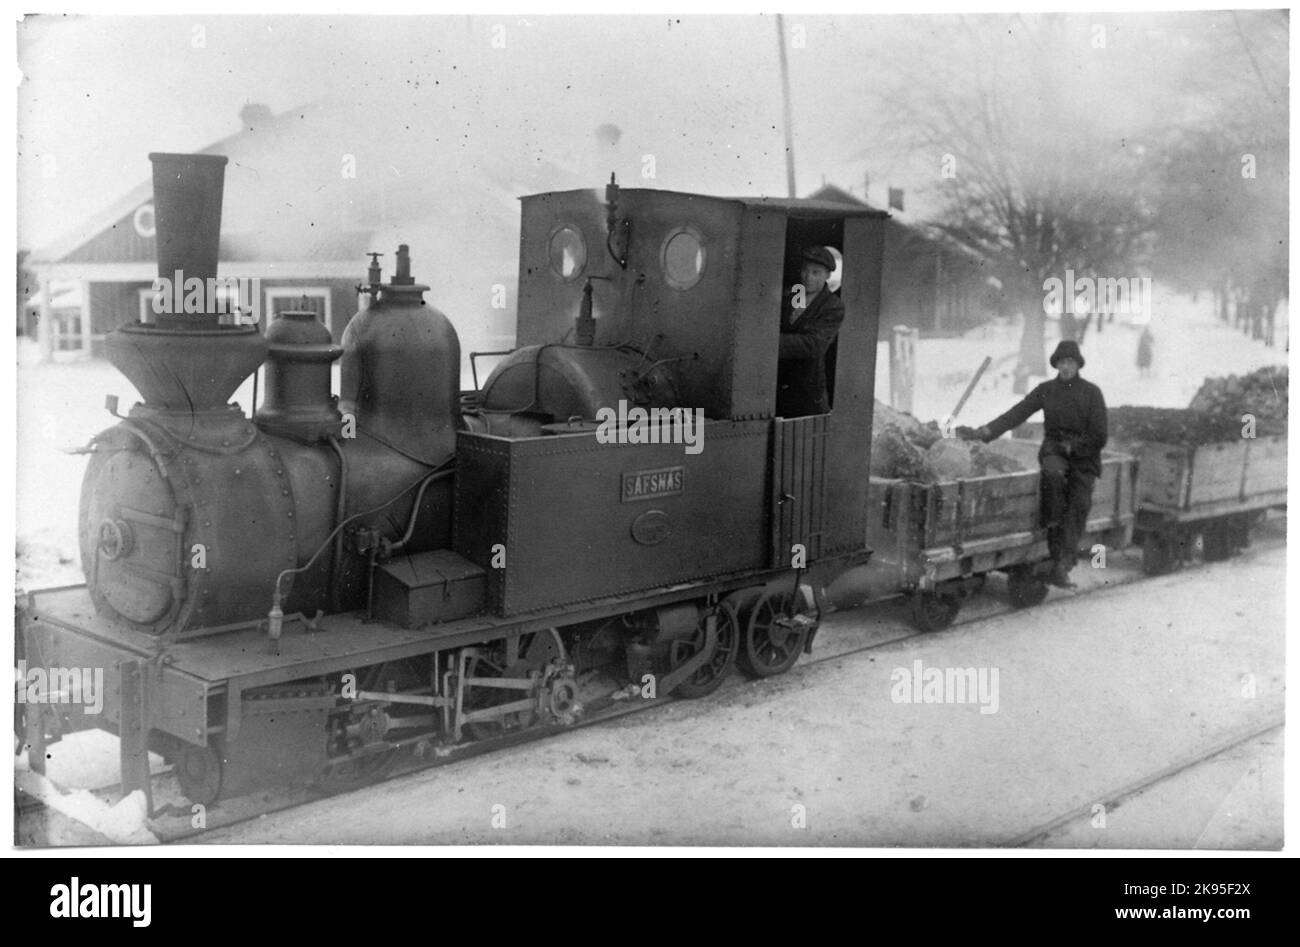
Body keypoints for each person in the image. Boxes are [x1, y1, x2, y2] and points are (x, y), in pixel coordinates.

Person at [958, 340, 1107, 589]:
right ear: (1056, 365)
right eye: (1062, 362)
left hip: (1084, 457)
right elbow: (1018, 413)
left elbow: (1100, 434)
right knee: (1052, 475)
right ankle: (1052, 528)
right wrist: (986, 431)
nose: (1066, 367)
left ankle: (1063, 563)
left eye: (1070, 362)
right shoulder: (1047, 389)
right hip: (1055, 450)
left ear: (1078, 364)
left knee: (1079, 504)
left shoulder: (1092, 393)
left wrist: (1077, 448)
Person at [777, 246, 844, 417]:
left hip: (806, 392)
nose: (808, 277)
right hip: (779, 385)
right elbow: (789, 324)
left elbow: (814, 345)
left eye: (816, 273)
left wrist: (770, 342)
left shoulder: (832, 306)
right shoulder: (796, 295)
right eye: (805, 271)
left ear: (827, 275)